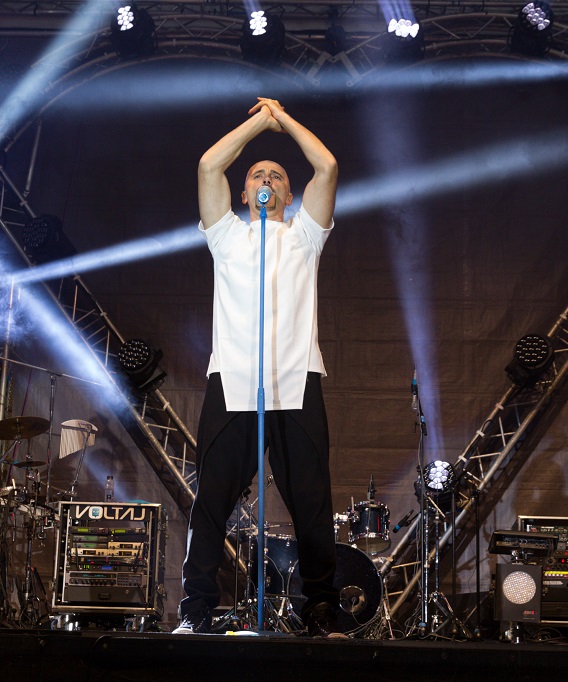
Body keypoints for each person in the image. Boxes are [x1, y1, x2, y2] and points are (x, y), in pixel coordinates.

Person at [173, 97, 343, 637]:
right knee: (212, 500)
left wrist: (283, 119)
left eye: (277, 176)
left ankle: (320, 608)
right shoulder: (226, 236)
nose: (267, 178)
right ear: (244, 194)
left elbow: (327, 166)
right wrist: (258, 125)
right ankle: (196, 609)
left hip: (296, 381)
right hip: (234, 380)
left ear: (289, 196)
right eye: (256, 175)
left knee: (311, 503)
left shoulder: (305, 236)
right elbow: (209, 165)